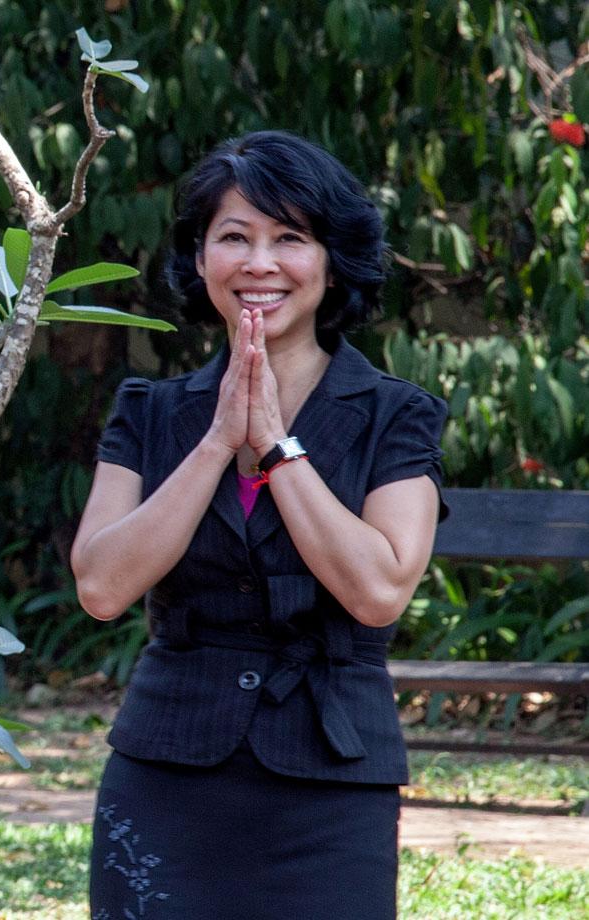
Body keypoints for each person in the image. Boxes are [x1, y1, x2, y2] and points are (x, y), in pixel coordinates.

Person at [71, 130, 447, 920]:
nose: (260, 263)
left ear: (331, 259)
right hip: (166, 767)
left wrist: (277, 446)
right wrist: (216, 442)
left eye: (290, 238)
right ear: (200, 257)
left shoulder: (396, 415)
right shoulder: (151, 413)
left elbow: (379, 590)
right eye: (234, 237)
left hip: (332, 774)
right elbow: (102, 585)